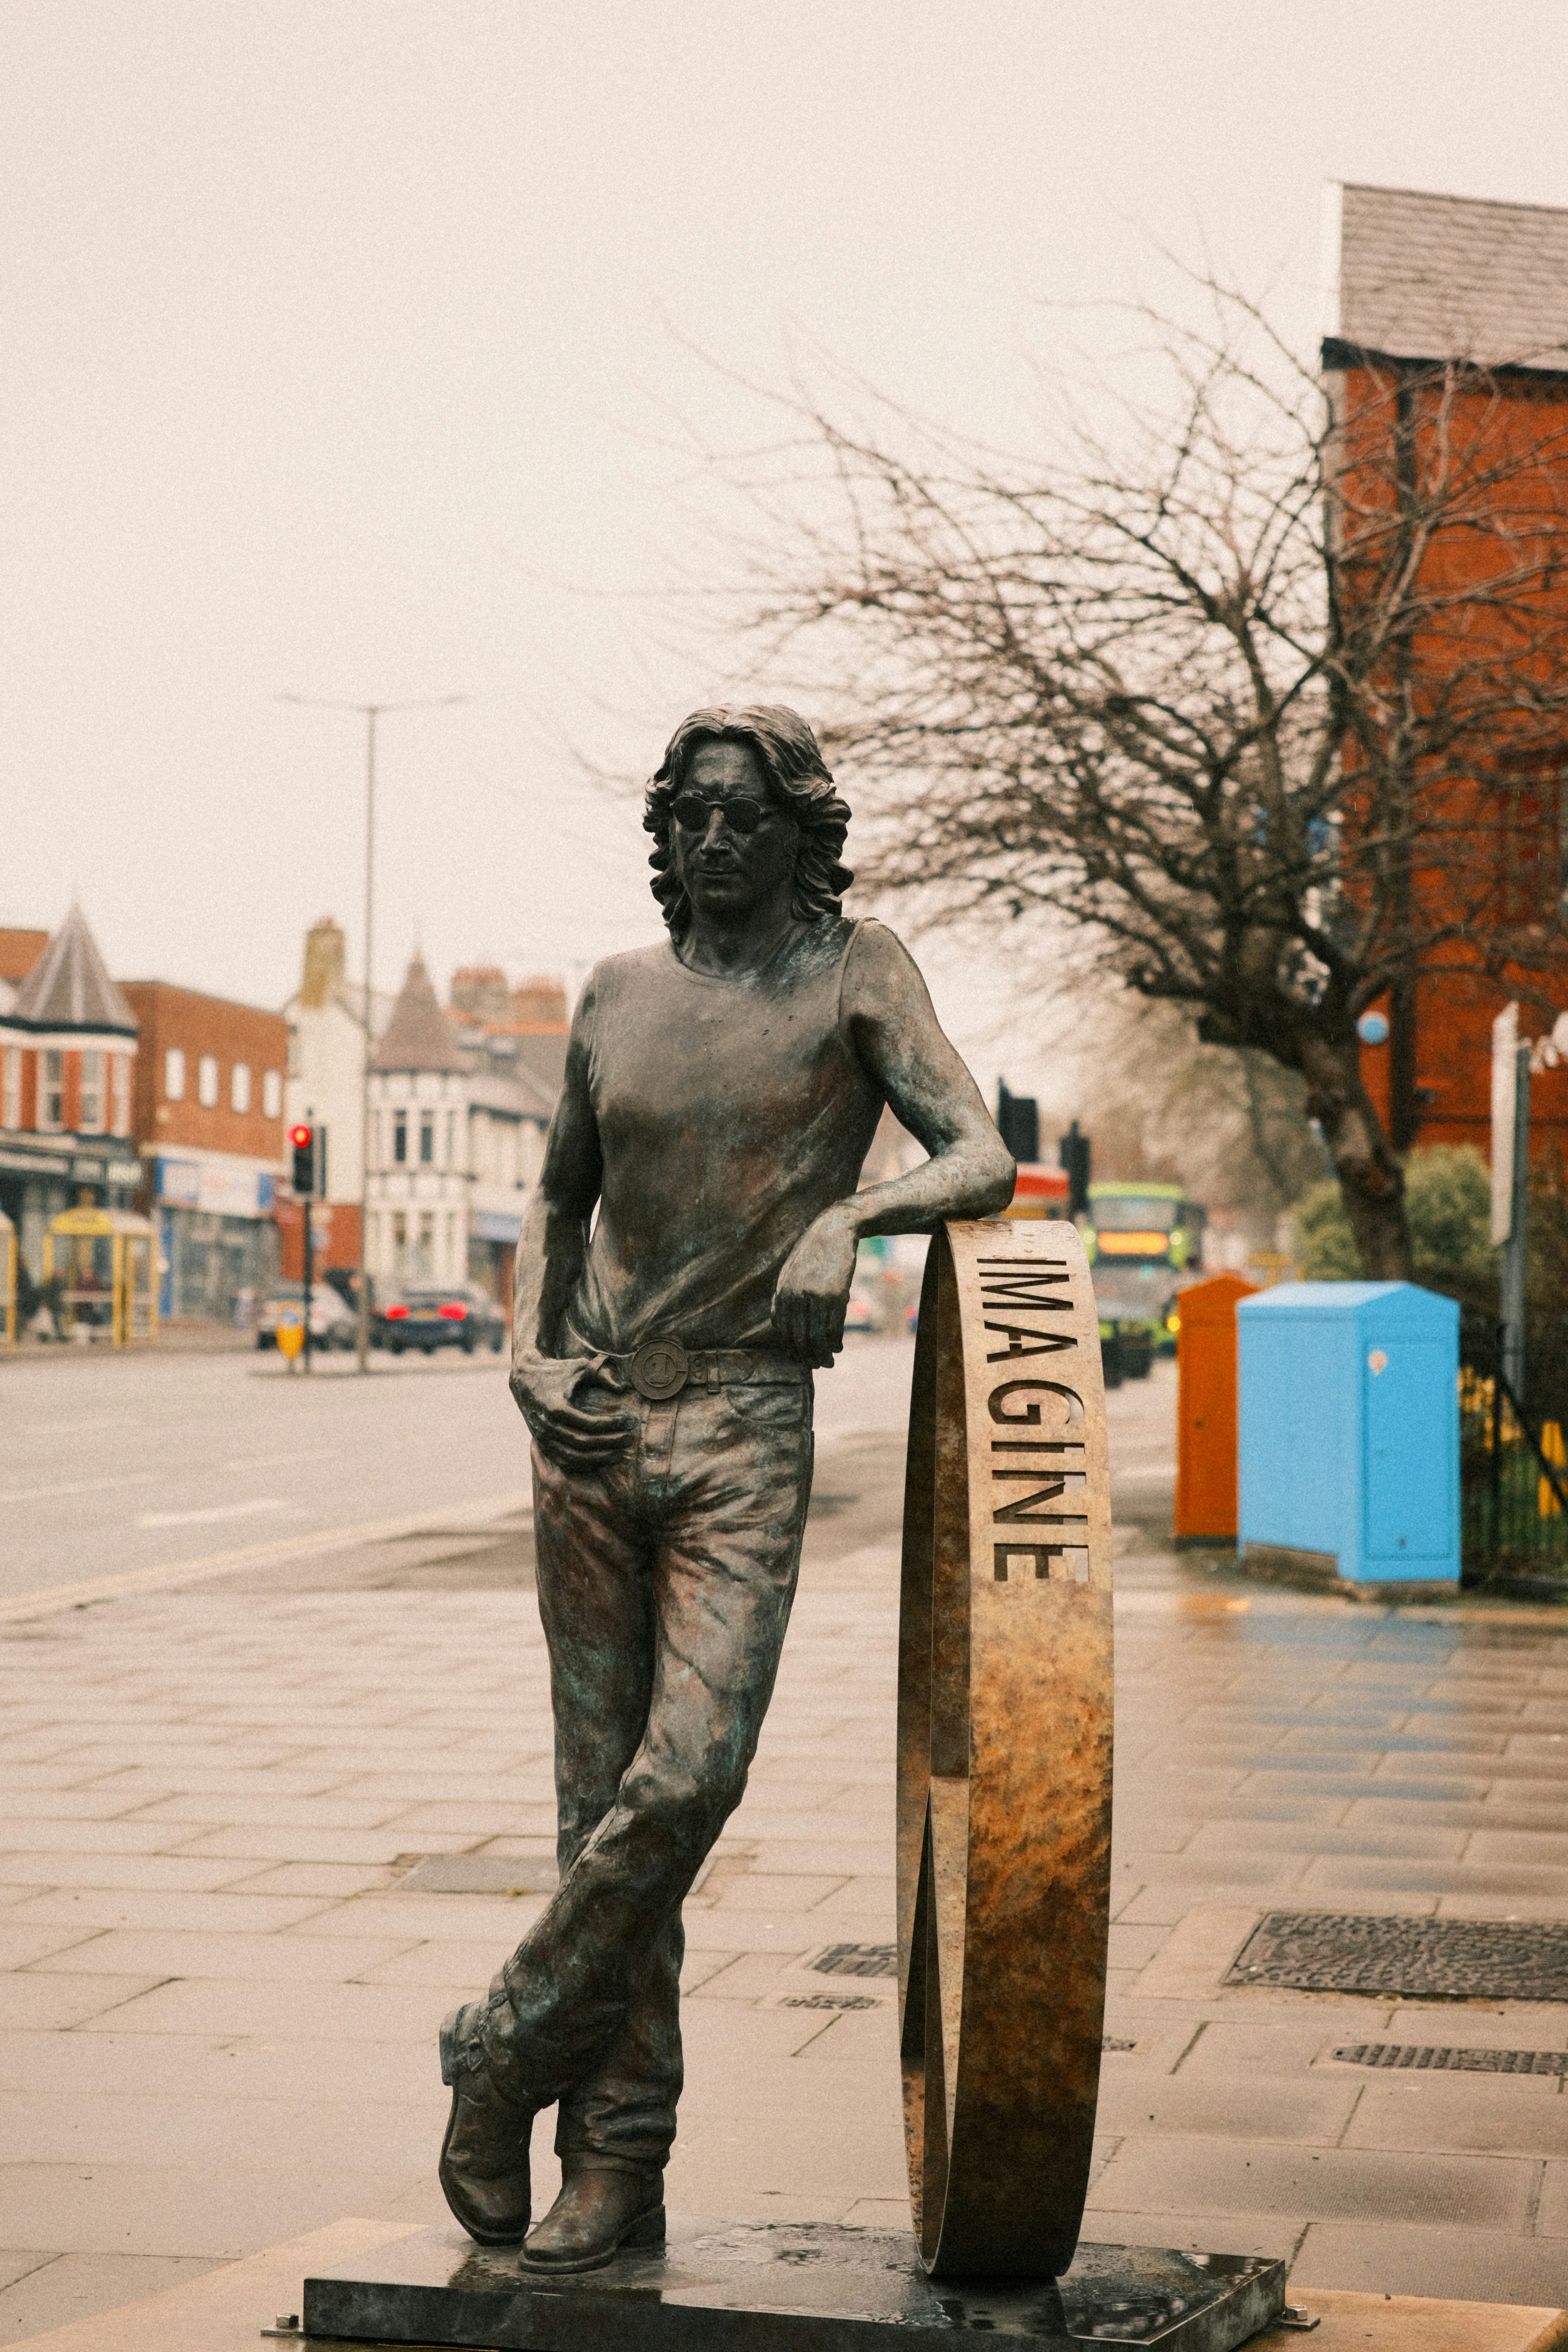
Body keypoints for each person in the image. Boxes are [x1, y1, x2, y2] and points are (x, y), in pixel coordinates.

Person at [438, 705, 1013, 2271]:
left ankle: (496, 2047)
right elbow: (557, 1202)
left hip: (745, 1427)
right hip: (591, 1424)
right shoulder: (614, 996)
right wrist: (523, 1351)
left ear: (798, 832)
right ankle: (612, 2160)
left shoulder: (856, 970)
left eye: (742, 817)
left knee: (684, 1781)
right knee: (594, 1799)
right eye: (687, 815)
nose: (710, 841)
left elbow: (981, 1153)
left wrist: (852, 1220)